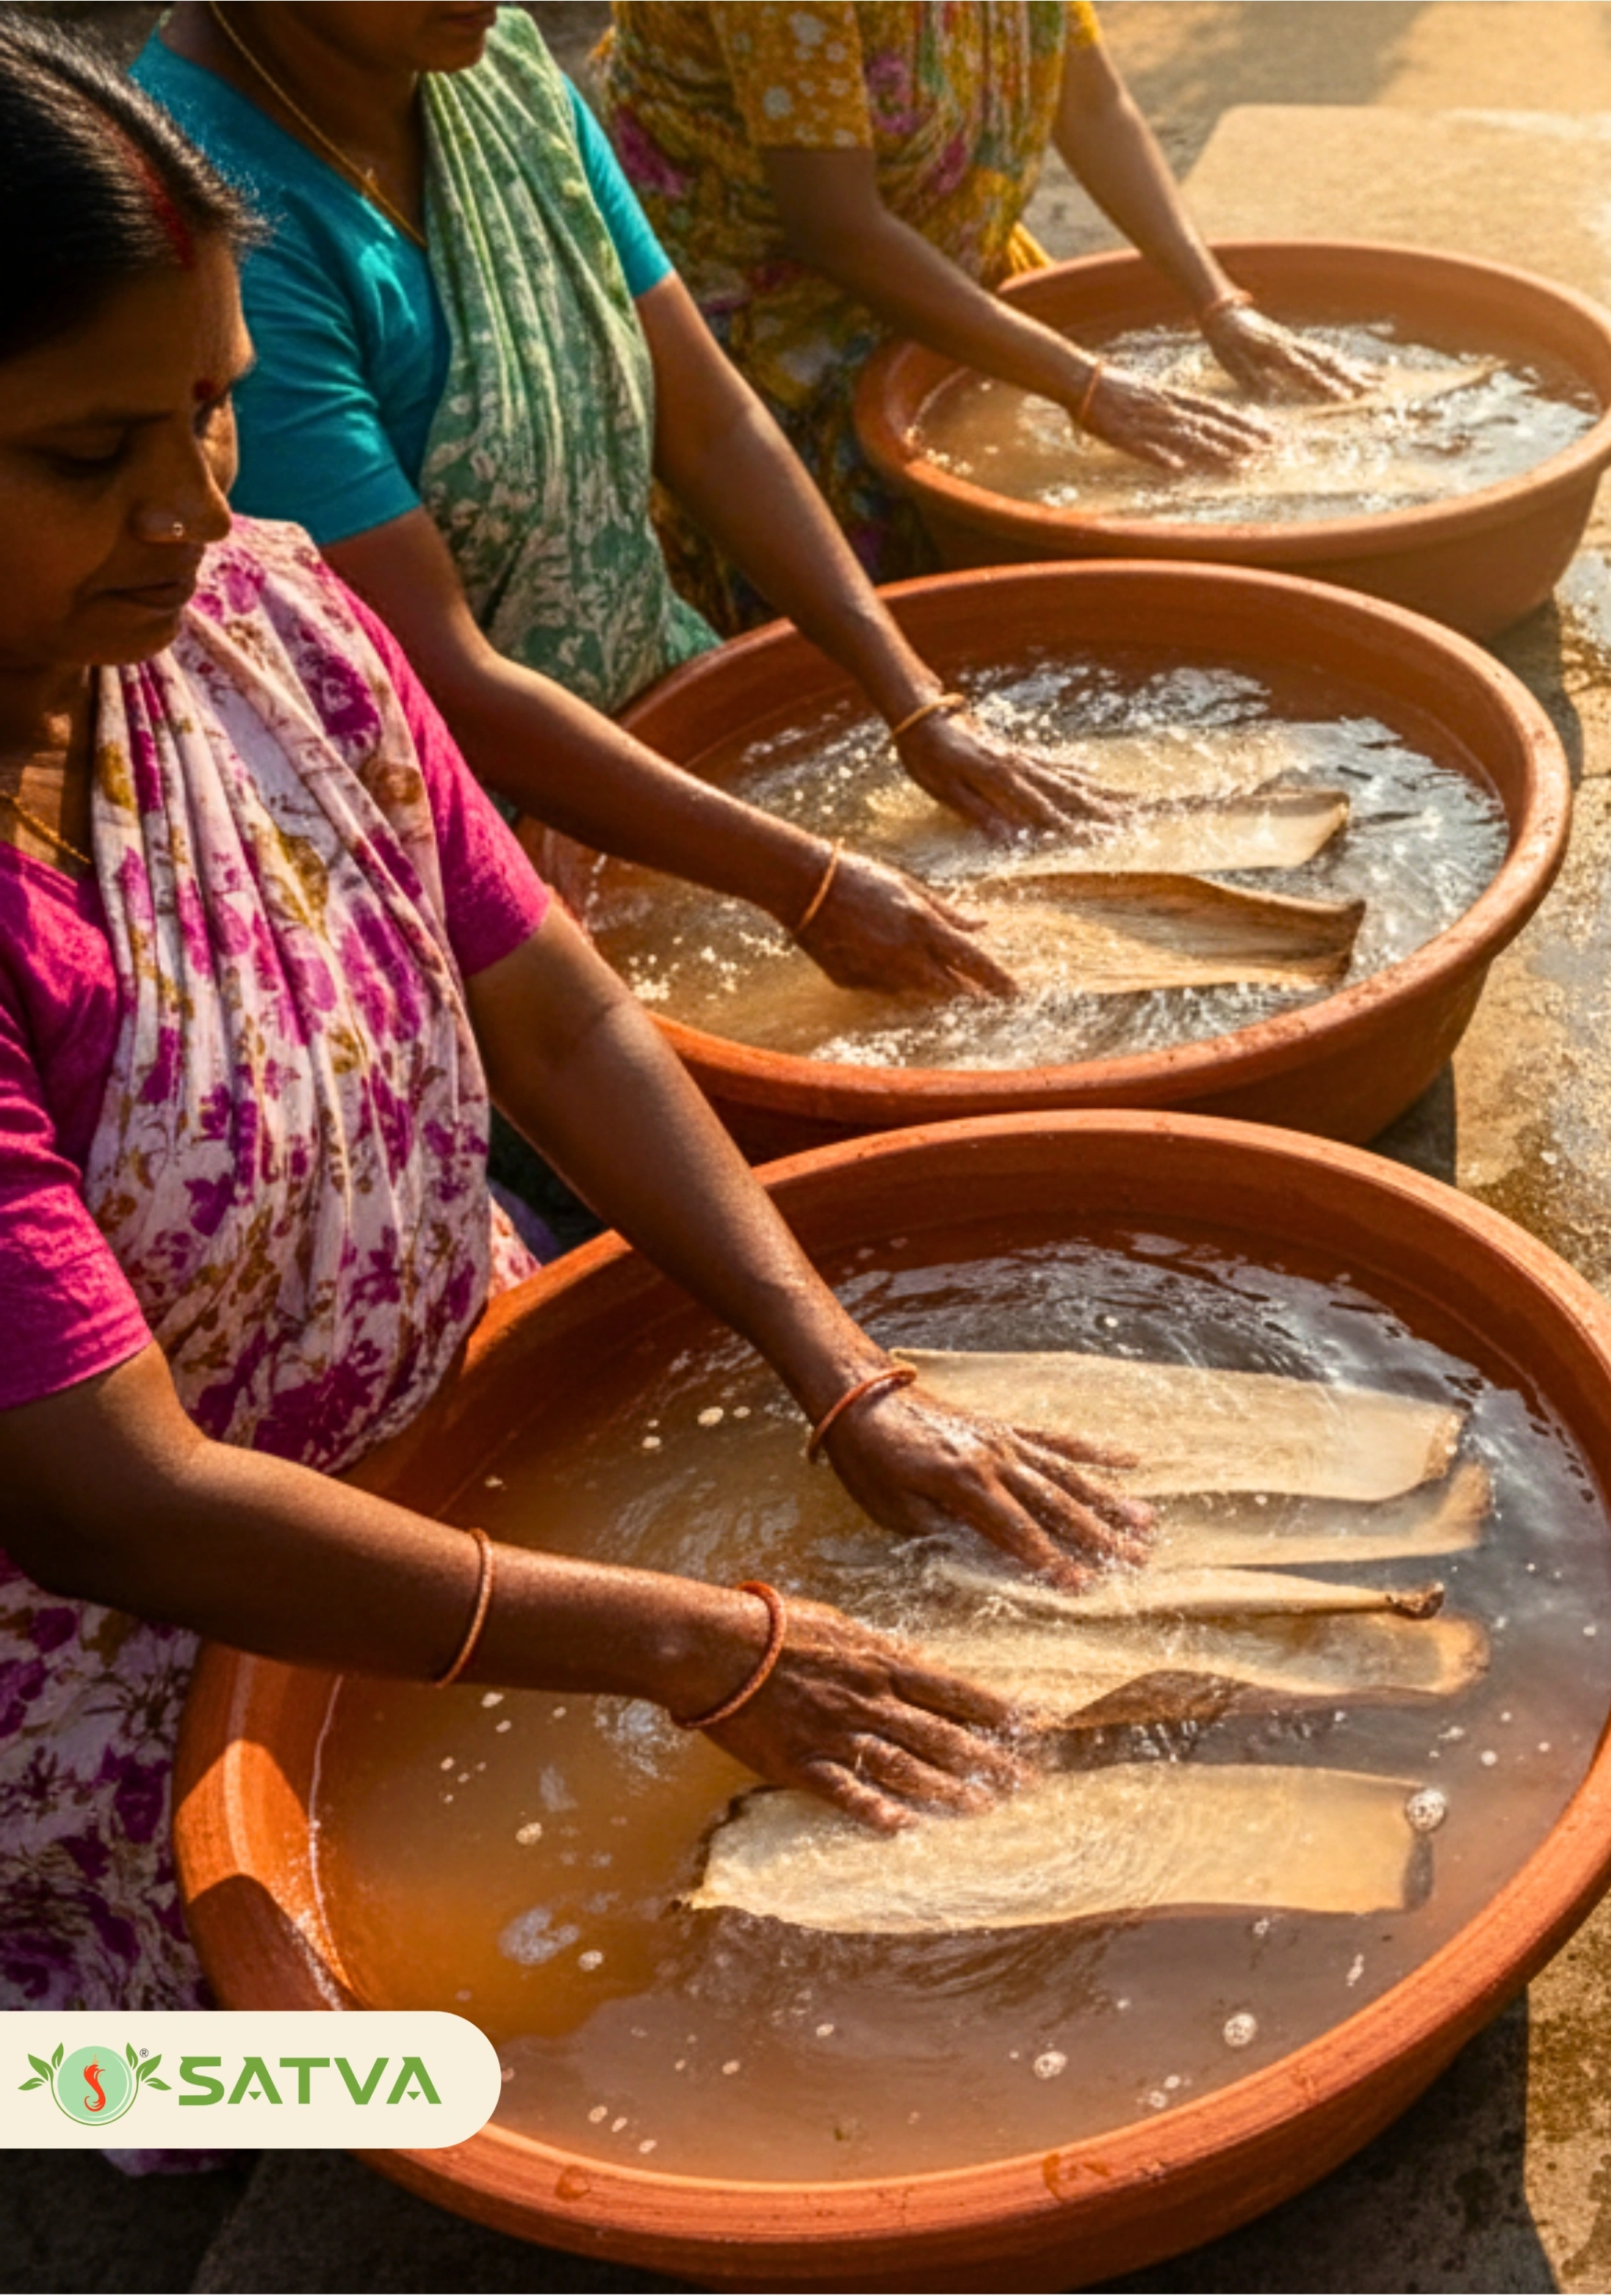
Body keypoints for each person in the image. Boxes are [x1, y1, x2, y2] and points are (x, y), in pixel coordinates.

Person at [0, 18, 1147, 2036]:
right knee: (407, 2088)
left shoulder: (270, 625)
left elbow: (552, 1010)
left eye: (213, 411)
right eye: (91, 456)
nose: (188, 504)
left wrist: (843, 1370)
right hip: (132, 1710)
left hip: (487, 1475)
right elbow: (120, 1498)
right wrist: (697, 1644)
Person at [136, 3, 1103, 1003]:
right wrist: (806, 883)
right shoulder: (210, 216)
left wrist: (911, 697)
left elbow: (711, 421)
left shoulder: (499, 69)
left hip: (654, 710)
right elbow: (440, 678)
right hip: (430, 857)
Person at [598, 0, 1369, 582]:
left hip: (951, 268)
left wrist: (1217, 301)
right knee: (863, 619)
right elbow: (837, 228)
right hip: (770, 340)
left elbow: (1091, 100)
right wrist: (1086, 383)